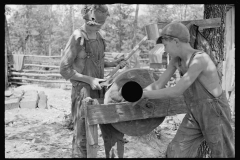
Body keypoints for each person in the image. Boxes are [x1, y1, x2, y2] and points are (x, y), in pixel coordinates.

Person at [138, 22, 235, 157]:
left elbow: (177, 90)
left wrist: (144, 95)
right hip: (194, 114)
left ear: (176, 41)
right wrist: (136, 94)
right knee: (175, 151)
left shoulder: (200, 59)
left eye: (165, 45)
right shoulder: (176, 60)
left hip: (215, 113)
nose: (165, 49)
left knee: (223, 154)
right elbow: (159, 84)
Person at [60, 5, 127, 158]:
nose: (97, 27)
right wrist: (89, 79)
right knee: (83, 136)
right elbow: (64, 69)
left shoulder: (100, 37)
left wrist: (114, 63)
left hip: (101, 90)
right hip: (82, 93)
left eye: (100, 24)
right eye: (95, 24)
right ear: (88, 18)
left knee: (112, 129)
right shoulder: (78, 37)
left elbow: (98, 62)